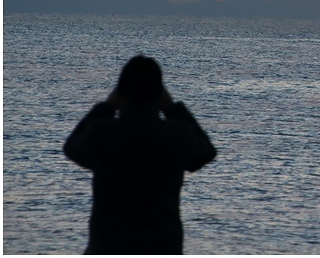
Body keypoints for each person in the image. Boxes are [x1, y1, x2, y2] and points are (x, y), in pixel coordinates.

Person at [64, 55, 217, 254]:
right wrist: (173, 109)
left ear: (121, 92)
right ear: (159, 93)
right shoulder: (177, 135)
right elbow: (206, 152)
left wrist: (106, 107)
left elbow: (71, 148)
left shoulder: (101, 133)